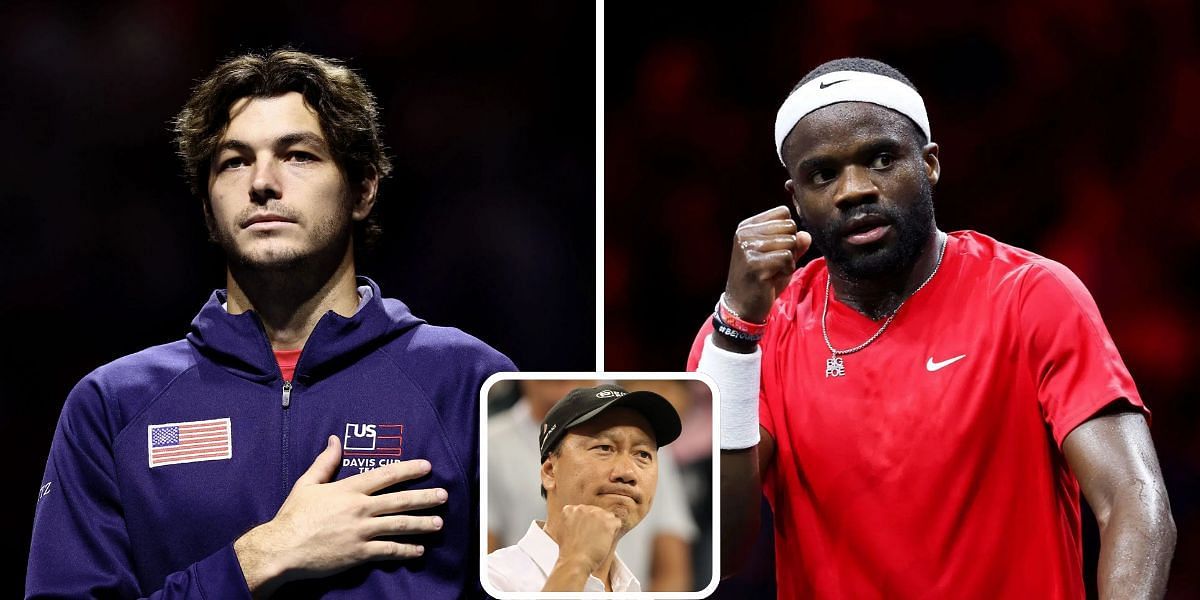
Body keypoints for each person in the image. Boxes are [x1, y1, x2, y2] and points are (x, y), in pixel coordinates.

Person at [25, 49, 515, 599]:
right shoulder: (112, 405)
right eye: (233, 161)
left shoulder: (468, 382)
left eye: (298, 155)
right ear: (208, 208)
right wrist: (260, 558)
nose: (261, 182)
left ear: (363, 189)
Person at [688, 57, 1176, 598]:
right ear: (795, 199)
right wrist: (736, 336)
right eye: (823, 174)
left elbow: (1132, 499)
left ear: (930, 164)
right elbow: (716, 551)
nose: (854, 190)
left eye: (880, 159)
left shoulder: (1030, 295)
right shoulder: (751, 336)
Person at [486, 380, 698, 591]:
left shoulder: (632, 589)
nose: (627, 472)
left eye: (642, 454)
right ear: (550, 471)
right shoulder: (493, 579)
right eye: (604, 448)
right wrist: (576, 561)